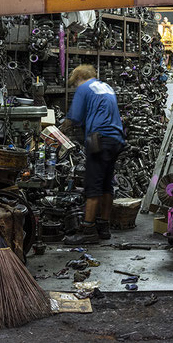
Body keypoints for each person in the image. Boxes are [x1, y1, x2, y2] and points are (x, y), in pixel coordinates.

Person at [62, 64, 126, 244]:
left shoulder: (84, 88)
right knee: (106, 184)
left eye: (74, 83)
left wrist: (57, 130)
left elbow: (74, 117)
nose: (75, 87)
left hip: (99, 139)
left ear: (79, 78)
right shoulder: (106, 87)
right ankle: (103, 226)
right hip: (116, 139)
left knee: (93, 184)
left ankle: (88, 229)